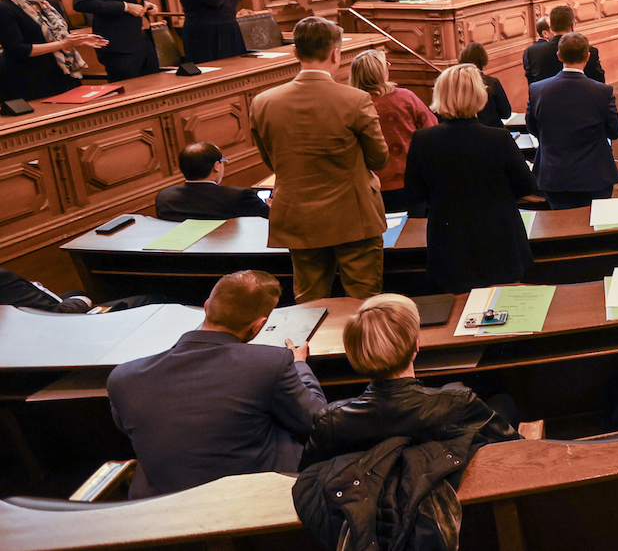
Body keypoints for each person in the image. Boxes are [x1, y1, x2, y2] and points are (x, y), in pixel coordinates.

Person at [107, 270, 324, 498]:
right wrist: (300, 365)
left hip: (161, 507)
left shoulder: (123, 377)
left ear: (207, 306)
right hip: (257, 497)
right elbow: (317, 420)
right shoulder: (270, 362)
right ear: (259, 325)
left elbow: (129, 427)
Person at [249, 16, 387, 303]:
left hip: (298, 217)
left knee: (309, 303)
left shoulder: (263, 102)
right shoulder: (356, 100)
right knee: (363, 302)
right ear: (336, 53)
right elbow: (379, 158)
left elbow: (271, 161)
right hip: (354, 215)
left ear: (295, 53)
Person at [301, 293, 519, 469]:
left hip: (370, 516)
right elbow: (513, 447)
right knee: (503, 401)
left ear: (355, 354)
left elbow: (309, 477)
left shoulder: (331, 422)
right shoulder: (457, 403)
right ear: (416, 346)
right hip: (456, 506)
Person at [408, 63, 539, 286]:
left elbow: (415, 193)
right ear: (479, 95)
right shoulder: (498, 138)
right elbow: (527, 186)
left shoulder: (422, 140)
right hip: (499, 236)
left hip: (448, 239)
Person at [526, 32, 618, 209]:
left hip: (554, 177)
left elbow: (532, 128)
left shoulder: (537, 90)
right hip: (596, 176)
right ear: (587, 56)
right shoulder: (603, 92)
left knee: (561, 227)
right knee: (596, 230)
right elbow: (614, 132)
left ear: (559, 56)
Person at [0, 0, 106, 101]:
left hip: (63, 72)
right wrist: (63, 45)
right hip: (29, 78)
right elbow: (17, 49)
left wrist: (78, 40)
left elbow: (63, 35)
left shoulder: (50, 4)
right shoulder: (5, 9)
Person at [348, 49, 436, 213]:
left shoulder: (350, 105)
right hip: (410, 180)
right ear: (381, 72)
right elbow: (431, 130)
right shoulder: (405, 97)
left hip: (370, 185)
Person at [156, 142, 272, 221]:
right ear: (216, 166)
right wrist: (270, 208)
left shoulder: (165, 196)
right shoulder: (239, 196)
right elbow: (270, 219)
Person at [522, 4, 605, 84]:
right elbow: (599, 82)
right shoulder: (589, 51)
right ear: (572, 25)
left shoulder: (532, 52)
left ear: (551, 27)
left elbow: (532, 87)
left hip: (547, 98)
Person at [458, 41, 511, 128]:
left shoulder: (454, 84)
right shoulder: (492, 83)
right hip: (492, 132)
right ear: (483, 59)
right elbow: (505, 113)